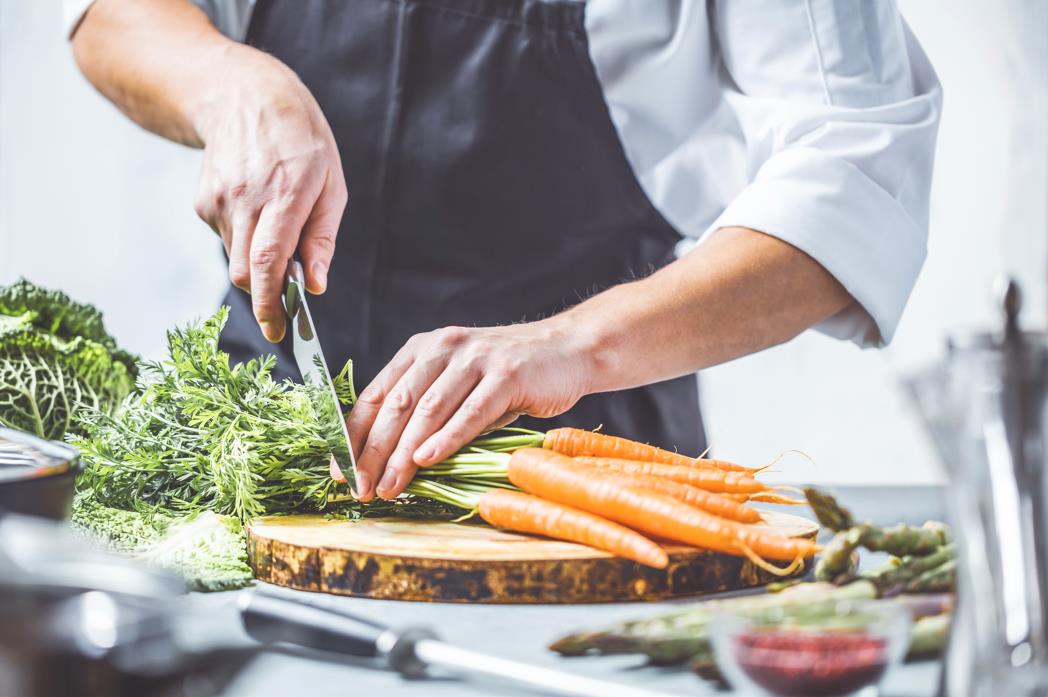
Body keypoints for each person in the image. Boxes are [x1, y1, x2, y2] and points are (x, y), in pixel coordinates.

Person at [68, 0, 941, 502]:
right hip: (260, 452)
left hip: (582, 471)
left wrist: (571, 344)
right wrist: (231, 84)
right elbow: (105, 14)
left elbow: (859, 162)